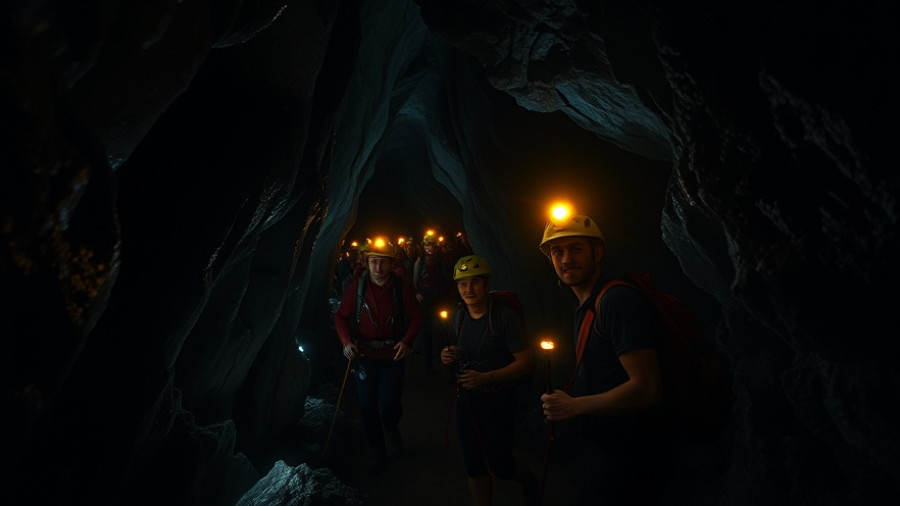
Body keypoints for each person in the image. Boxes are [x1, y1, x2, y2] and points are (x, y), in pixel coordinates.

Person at [537, 212, 676, 505]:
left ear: (597, 252)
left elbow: (648, 389)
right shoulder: (589, 303)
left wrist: (575, 406)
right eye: (557, 251)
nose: (565, 259)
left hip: (631, 448)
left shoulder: (615, 302)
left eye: (576, 249)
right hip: (607, 441)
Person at [440, 254, 539, 506]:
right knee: (474, 464)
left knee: (500, 464)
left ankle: (529, 482)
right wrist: (449, 355)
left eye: (475, 282)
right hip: (468, 399)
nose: (468, 289)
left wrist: (486, 377)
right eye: (463, 284)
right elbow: (464, 348)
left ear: (486, 284)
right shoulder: (458, 316)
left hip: (498, 399)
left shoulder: (504, 317)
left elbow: (525, 361)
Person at [334, 237, 424, 472]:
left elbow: (417, 317)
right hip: (364, 355)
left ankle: (391, 428)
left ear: (391, 264)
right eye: (374, 262)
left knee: (390, 402)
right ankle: (377, 449)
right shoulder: (358, 286)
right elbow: (341, 317)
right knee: (367, 405)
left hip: (392, 356)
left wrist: (406, 341)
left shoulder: (400, 286)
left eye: (383, 262)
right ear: (367, 262)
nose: (378, 268)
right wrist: (345, 342)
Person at [413, 233, 452, 374]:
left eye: (431, 246)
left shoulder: (442, 261)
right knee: (426, 331)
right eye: (427, 246)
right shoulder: (420, 262)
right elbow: (416, 279)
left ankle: (444, 359)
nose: (429, 248)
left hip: (439, 299)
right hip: (426, 301)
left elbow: (447, 278)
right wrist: (417, 293)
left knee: (443, 329)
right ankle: (428, 362)